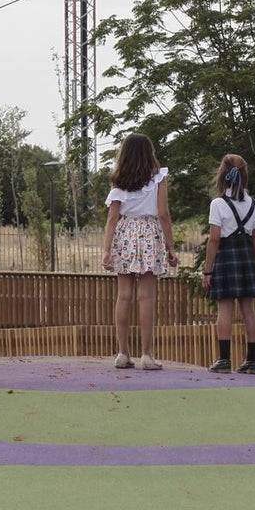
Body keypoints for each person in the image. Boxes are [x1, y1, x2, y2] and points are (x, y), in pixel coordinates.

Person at [100, 133, 178, 370]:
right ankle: (146, 355)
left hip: (124, 233)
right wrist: (171, 246)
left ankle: (123, 353)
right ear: (149, 153)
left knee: (123, 296)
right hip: (150, 234)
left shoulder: (118, 181)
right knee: (146, 297)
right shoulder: (158, 178)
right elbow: (163, 214)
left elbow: (112, 218)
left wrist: (106, 251)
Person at [202, 154, 255, 374]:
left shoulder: (217, 204)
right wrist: (252, 262)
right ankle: (252, 360)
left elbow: (214, 239)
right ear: (244, 176)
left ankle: (224, 359)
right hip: (247, 256)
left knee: (224, 308)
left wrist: (207, 270)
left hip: (226, 257)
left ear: (222, 175)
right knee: (249, 310)